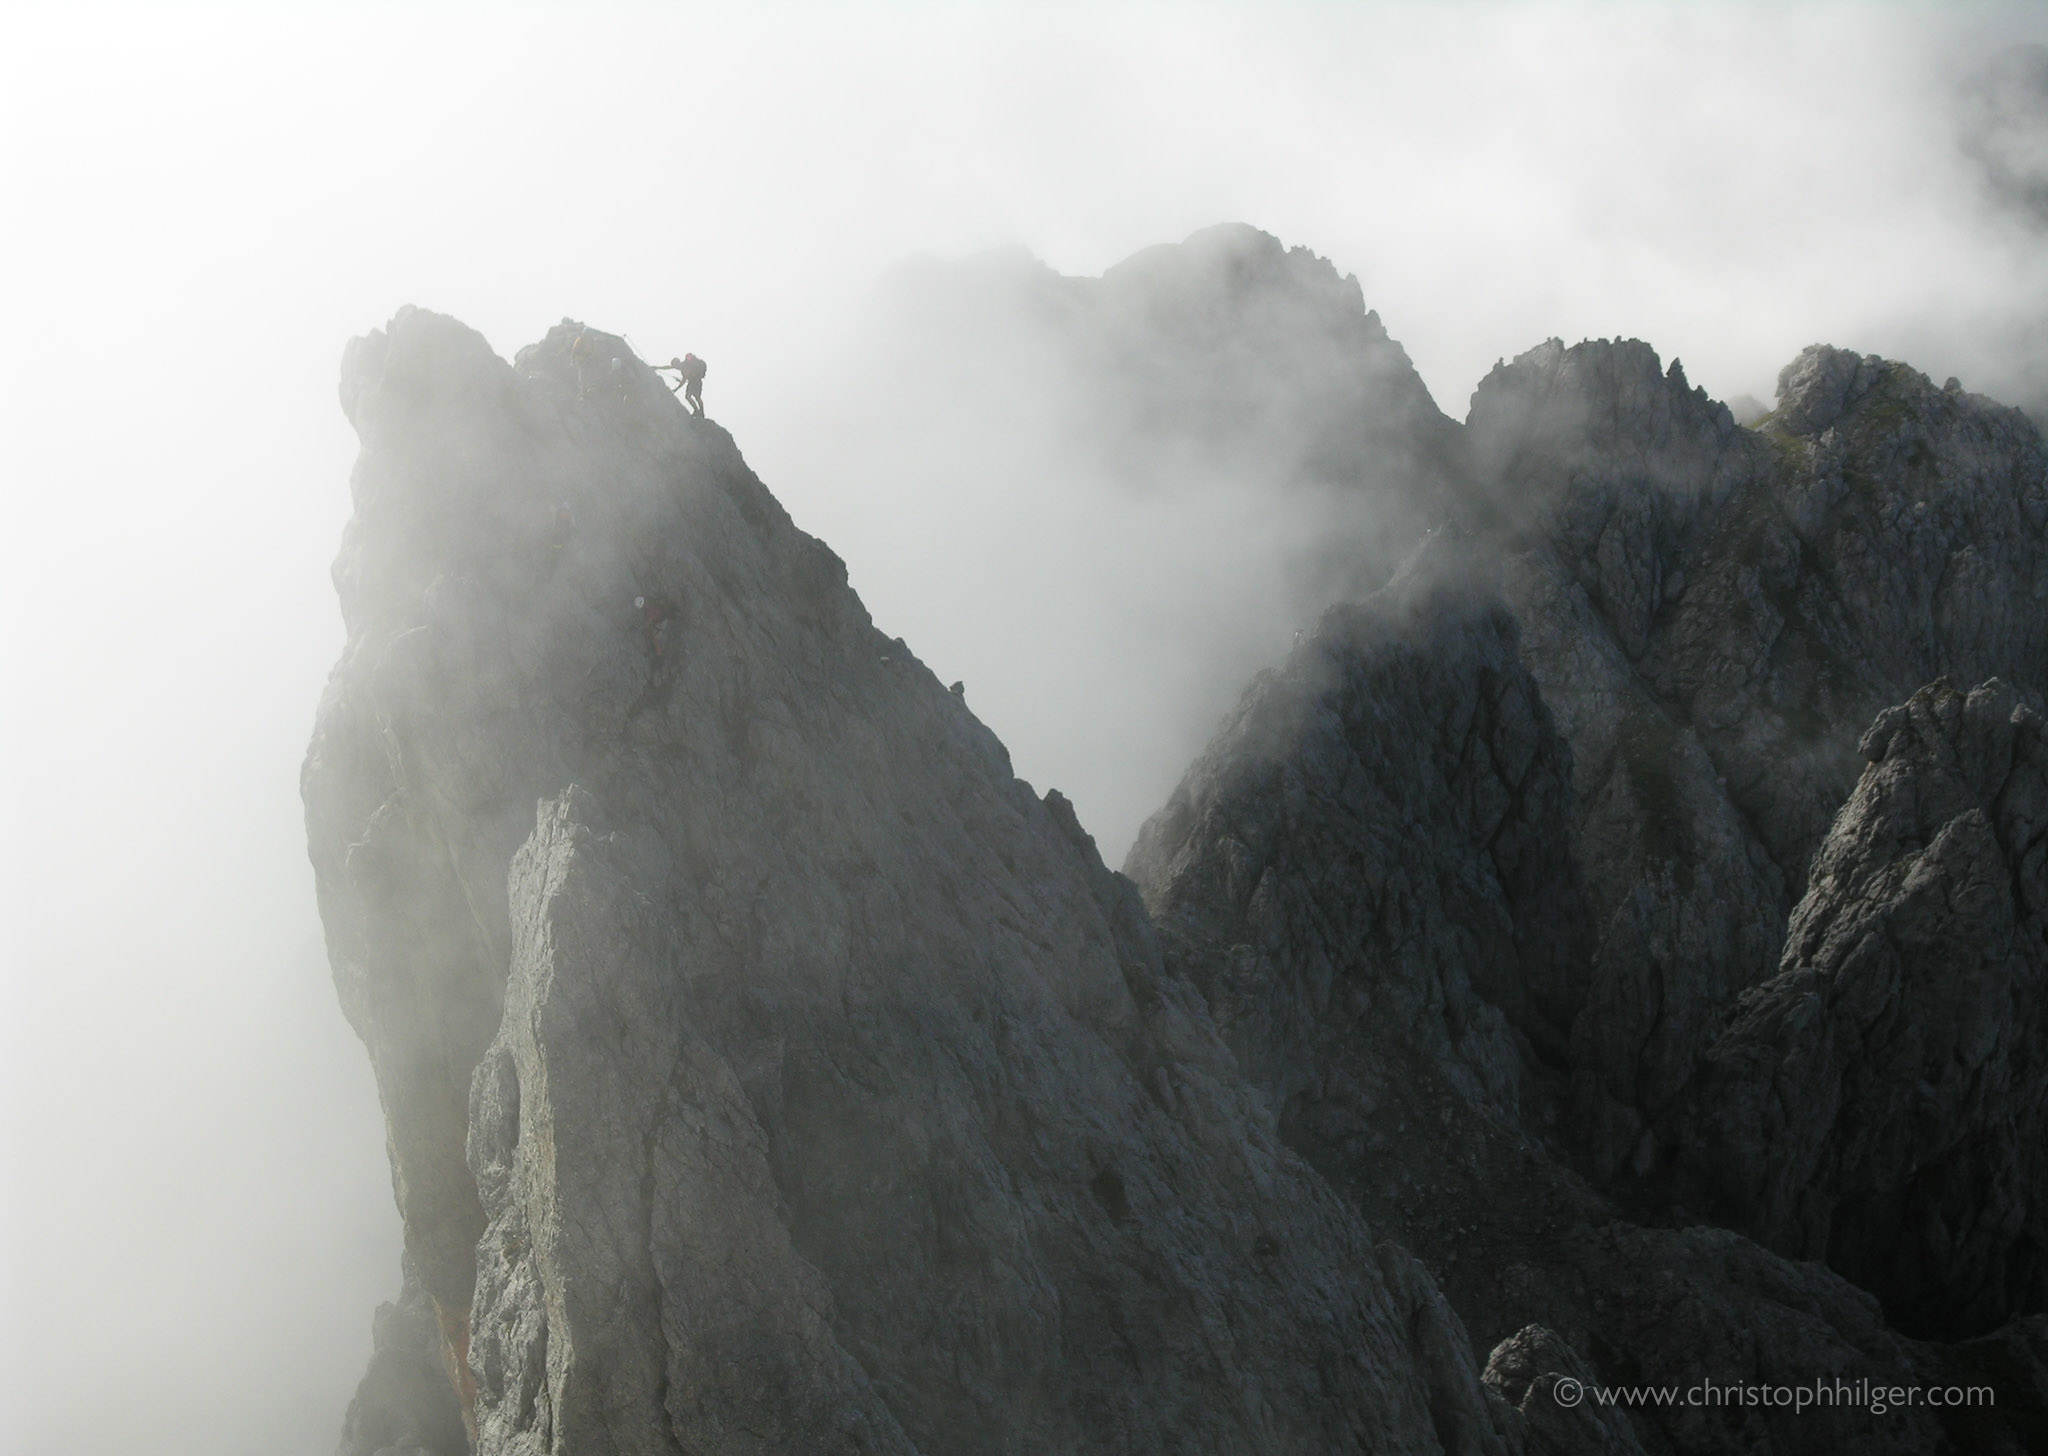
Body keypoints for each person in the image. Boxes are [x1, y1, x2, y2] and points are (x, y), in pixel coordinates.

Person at [634, 593, 681, 661]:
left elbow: (648, 623)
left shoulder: (649, 612)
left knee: (654, 639)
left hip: (662, 622)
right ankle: (674, 610)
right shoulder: (652, 601)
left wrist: (642, 628)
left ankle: (659, 656)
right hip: (664, 615)